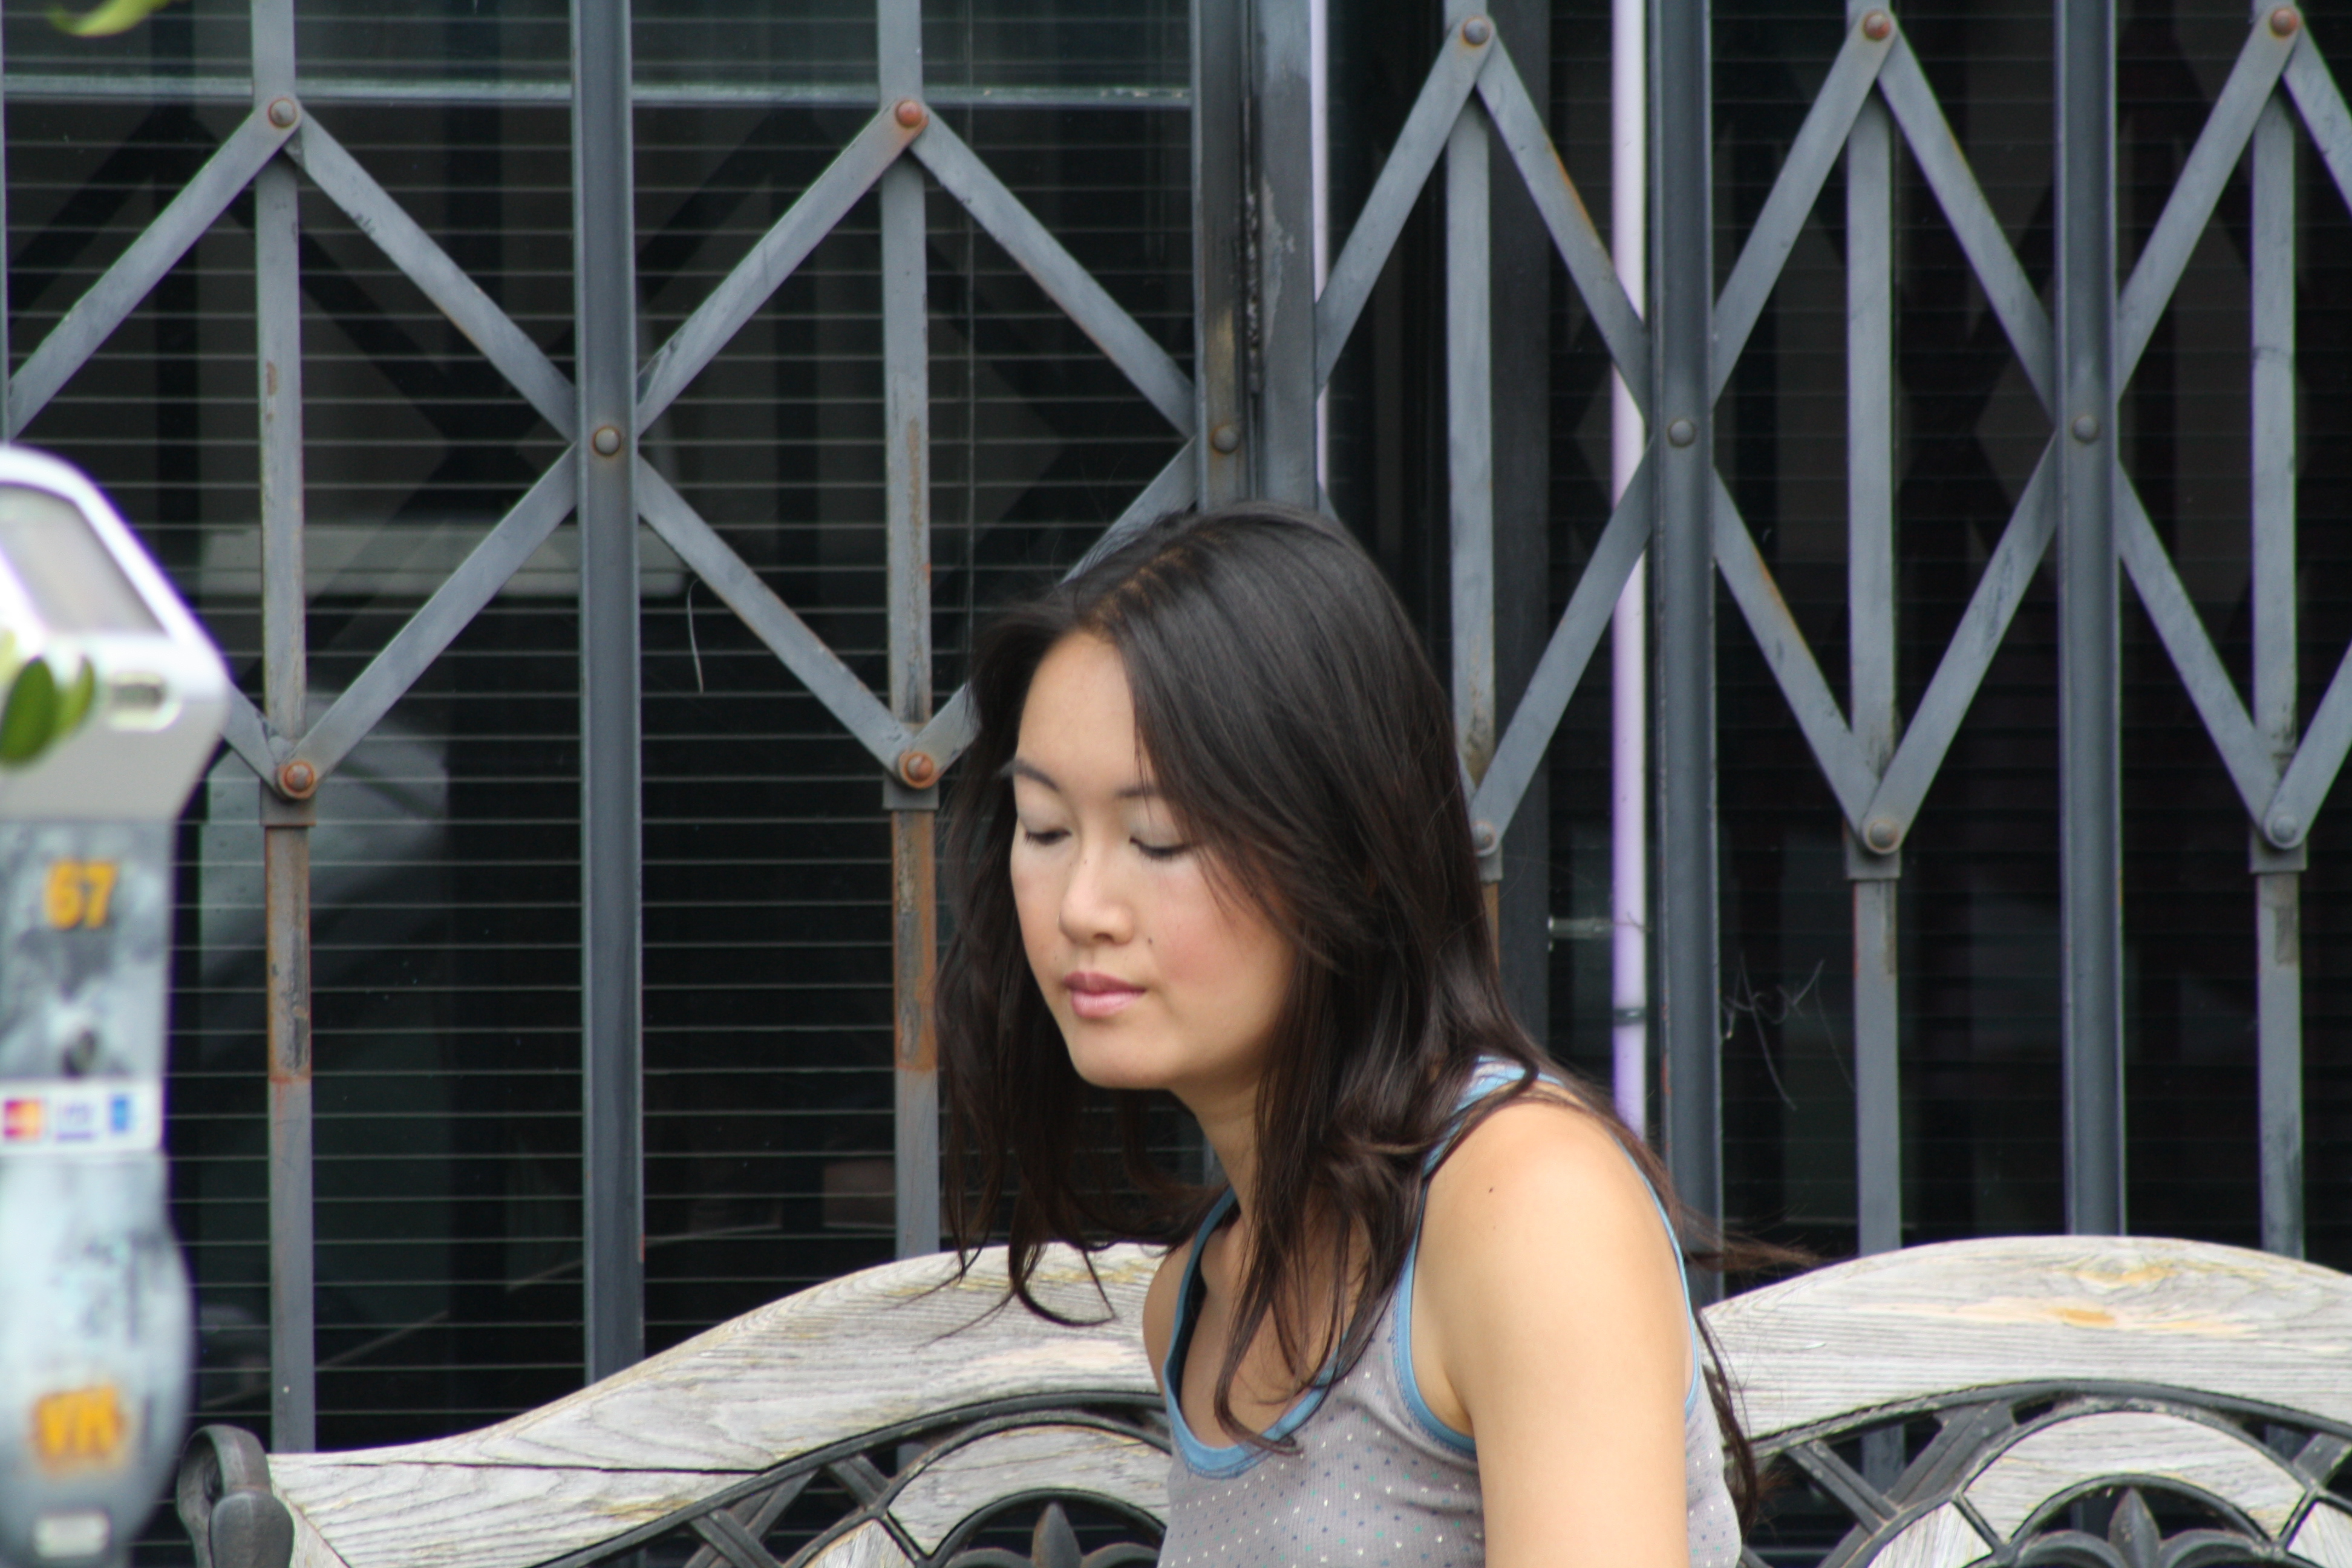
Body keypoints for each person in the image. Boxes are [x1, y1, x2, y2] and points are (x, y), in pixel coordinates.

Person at [939, 502, 1756, 1567]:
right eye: (1045, 829)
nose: (1082, 904)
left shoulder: (1528, 1205)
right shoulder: (1197, 1303)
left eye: (1159, 837)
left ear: (1355, 854)